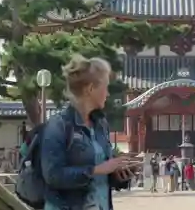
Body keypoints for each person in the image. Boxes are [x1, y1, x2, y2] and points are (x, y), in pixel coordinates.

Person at [40, 55, 133, 210]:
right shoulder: (59, 125)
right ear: (90, 89)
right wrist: (97, 170)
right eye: (105, 87)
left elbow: (103, 173)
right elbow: (52, 175)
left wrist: (118, 173)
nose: (108, 94)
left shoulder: (100, 124)